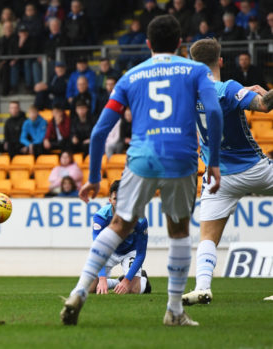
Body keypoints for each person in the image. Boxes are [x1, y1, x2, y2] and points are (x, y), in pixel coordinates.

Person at [62, 15, 223, 327]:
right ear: (180, 44)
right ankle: (174, 310)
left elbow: (98, 132)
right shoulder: (196, 70)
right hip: (181, 158)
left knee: (120, 224)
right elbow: (214, 111)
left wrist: (95, 178)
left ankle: (80, 289)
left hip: (141, 158)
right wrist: (213, 160)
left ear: (148, 44)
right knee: (178, 232)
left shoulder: (130, 76)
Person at [182, 38, 273, 306]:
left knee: (208, 236)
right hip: (255, 169)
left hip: (217, 176)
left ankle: (202, 288)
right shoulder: (228, 88)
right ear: (220, 61)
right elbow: (265, 105)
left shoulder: (187, 93)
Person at [89, 180, 151, 295]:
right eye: (116, 199)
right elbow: (98, 249)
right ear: (110, 200)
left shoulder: (140, 219)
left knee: (132, 290)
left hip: (130, 251)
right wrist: (102, 279)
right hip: (108, 251)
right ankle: (117, 282)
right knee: (90, 288)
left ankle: (143, 280)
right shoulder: (101, 217)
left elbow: (141, 254)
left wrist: (127, 281)